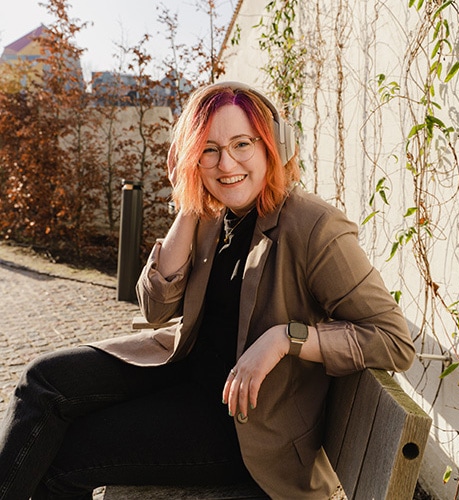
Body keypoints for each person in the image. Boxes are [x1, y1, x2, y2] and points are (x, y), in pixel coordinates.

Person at [0, 81, 415, 499]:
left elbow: (393, 340)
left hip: (244, 426)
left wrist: (283, 339)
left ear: (274, 145)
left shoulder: (315, 227)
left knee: (66, 457)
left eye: (241, 144)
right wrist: (187, 205)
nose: (225, 163)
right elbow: (156, 307)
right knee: (44, 381)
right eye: (209, 150)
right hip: (184, 371)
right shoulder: (213, 216)